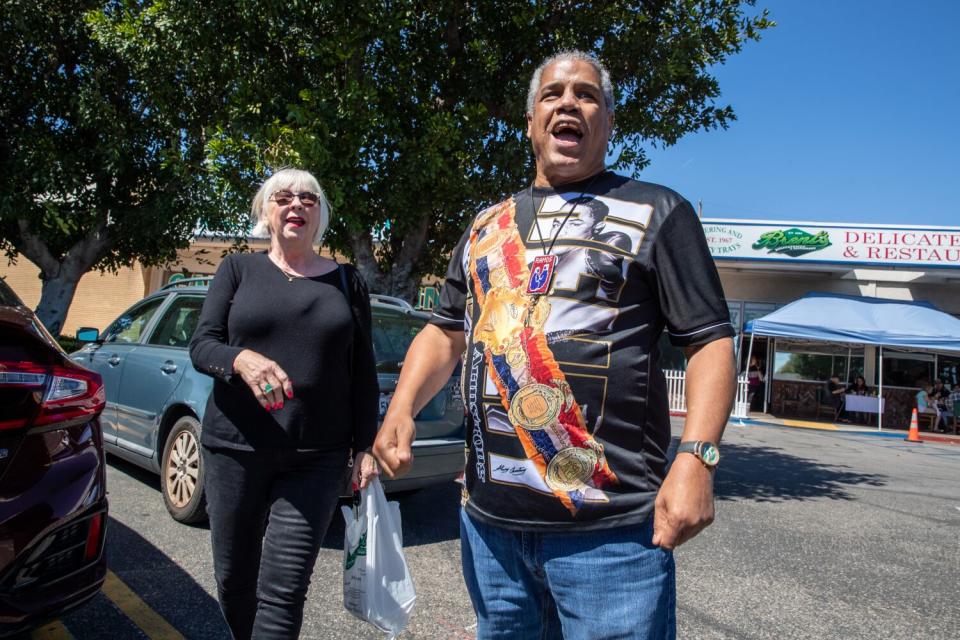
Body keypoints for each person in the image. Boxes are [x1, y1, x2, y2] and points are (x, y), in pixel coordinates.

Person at [374, 50, 736, 639]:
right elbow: (446, 331)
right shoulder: (486, 226)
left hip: (612, 536)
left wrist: (697, 459)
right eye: (553, 94)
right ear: (531, 122)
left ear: (609, 122)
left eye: (587, 94)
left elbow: (709, 342)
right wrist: (400, 409)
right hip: (490, 530)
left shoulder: (659, 211)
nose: (569, 102)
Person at [189, 168, 380, 639]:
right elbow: (202, 346)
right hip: (234, 450)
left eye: (309, 199)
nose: (296, 205)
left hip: (315, 458)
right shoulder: (237, 269)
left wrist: (366, 446)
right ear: (265, 211)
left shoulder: (346, 281)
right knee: (235, 580)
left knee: (284, 589)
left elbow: (363, 371)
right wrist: (241, 360)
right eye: (283, 197)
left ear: (321, 216)